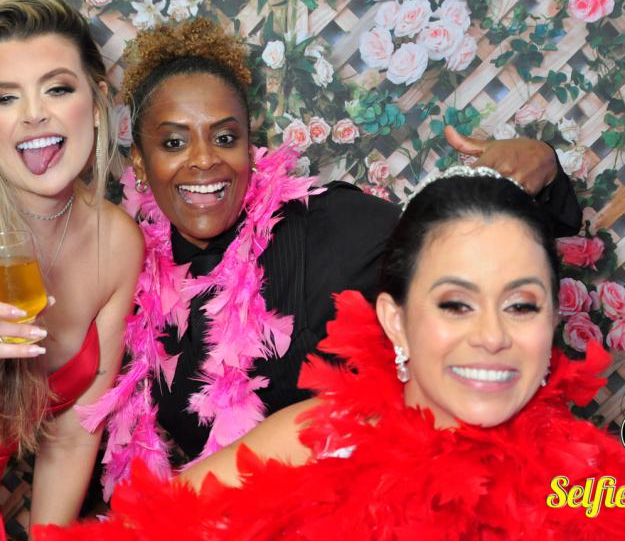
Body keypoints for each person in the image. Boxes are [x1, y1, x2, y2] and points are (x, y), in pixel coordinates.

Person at [78, 17, 582, 498]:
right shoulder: (133, 275)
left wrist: (542, 167)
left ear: (250, 146)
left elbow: (463, 253)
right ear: (140, 161)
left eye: (225, 137)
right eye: (173, 142)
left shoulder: (332, 225)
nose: (204, 158)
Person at [36, 167, 625, 541]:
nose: (492, 336)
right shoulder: (315, 439)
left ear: (551, 320)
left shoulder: (587, 488)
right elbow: (145, 529)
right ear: (396, 321)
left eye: (521, 305)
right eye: (455, 304)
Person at [0, 0, 143, 537]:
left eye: (57, 88)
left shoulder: (118, 243)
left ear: (98, 99)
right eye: (5, 97)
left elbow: (71, 437)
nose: (34, 113)